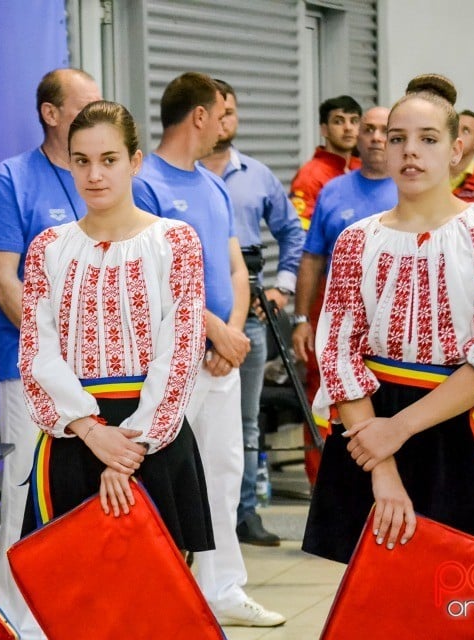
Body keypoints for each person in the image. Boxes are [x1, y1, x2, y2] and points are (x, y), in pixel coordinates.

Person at [302, 74, 474, 565]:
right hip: (368, 428)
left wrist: (399, 429)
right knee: (377, 597)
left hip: (455, 428)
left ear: (456, 148)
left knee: (459, 596)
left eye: (428, 139)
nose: (410, 152)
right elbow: (340, 352)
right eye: (398, 139)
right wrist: (382, 465)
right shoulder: (357, 241)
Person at [19, 98, 214, 562]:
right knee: (75, 601)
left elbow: (181, 352)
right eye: (82, 161)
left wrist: (132, 447)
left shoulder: (175, 241)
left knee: (156, 601)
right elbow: (36, 354)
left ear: (135, 162)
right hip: (74, 437)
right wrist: (91, 433)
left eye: (109, 160)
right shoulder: (48, 248)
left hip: (153, 441)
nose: (95, 175)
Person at [133, 71, 285, 628]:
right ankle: (158, 590)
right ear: (199, 116)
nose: (227, 124)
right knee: (162, 477)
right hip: (171, 360)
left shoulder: (213, 182)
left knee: (224, 469)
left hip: (221, 355)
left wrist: (233, 331)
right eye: (222, 113)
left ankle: (222, 588)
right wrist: (213, 331)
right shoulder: (144, 181)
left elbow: (235, 266)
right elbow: (150, 277)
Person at [0, 67, 101, 639]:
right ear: (51, 114)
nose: (99, 114)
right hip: (31, 373)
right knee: (28, 490)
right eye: (86, 105)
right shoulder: (11, 180)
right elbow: (3, 282)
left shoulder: (102, 175)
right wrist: (59, 352)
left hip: (105, 372)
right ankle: (18, 621)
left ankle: (76, 611)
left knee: (89, 497)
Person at [199, 79, 304, 547]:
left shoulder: (258, 176)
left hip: (251, 321)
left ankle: (243, 514)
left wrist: (283, 287)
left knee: (244, 423)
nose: (227, 122)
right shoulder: (178, 176)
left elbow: (292, 233)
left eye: (233, 113)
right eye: (219, 113)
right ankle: (195, 515)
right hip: (191, 322)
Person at [290, 106, 397, 487]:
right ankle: (326, 485)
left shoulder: (411, 189)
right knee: (326, 401)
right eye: (369, 130)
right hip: (335, 322)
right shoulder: (333, 190)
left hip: (394, 327)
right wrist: (301, 319)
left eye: (385, 130)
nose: (375, 137)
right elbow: (312, 257)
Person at [289, 95, 362, 230]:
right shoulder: (309, 176)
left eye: (354, 121)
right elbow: (299, 234)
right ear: (324, 129)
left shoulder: (362, 168)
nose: (348, 128)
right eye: (338, 121)